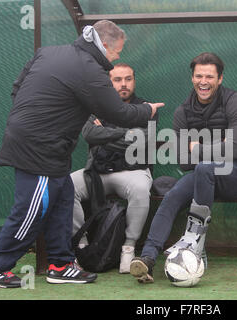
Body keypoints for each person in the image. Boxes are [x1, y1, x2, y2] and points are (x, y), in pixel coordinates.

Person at [0, 20, 164, 289]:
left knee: (62, 201)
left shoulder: (48, 52)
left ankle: (60, 264)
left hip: (50, 148)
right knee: (33, 210)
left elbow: (17, 88)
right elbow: (118, 113)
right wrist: (147, 110)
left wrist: (40, 119)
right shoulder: (89, 70)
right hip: (38, 149)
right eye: (117, 51)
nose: (117, 58)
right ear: (104, 45)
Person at [130, 52, 237, 284]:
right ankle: (147, 258)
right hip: (203, 176)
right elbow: (183, 161)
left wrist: (196, 146)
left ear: (219, 79)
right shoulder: (183, 112)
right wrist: (211, 149)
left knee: (204, 167)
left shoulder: (236, 101)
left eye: (209, 76)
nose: (203, 81)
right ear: (192, 78)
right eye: (199, 76)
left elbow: (235, 151)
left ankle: (196, 244)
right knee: (174, 194)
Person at [71, 63, 156, 273]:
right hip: (98, 172)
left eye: (128, 79)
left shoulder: (146, 107)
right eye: (117, 80)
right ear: (109, 83)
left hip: (133, 171)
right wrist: (124, 133)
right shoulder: (95, 105)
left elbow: (143, 140)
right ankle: (81, 247)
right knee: (66, 185)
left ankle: (128, 249)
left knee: (140, 190)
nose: (123, 84)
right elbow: (89, 134)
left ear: (134, 81)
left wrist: (105, 133)